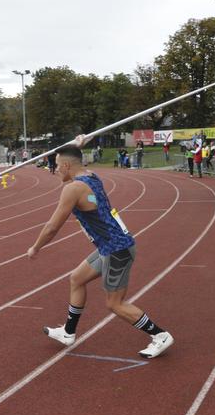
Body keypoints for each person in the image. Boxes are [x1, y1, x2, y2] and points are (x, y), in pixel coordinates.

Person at [27, 143, 174, 358]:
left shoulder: (72, 189)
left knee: (115, 304)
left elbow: (52, 227)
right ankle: (68, 332)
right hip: (110, 246)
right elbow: (78, 164)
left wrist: (35, 247)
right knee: (77, 279)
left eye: (57, 165)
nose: (55, 169)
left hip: (117, 250)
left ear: (66, 165)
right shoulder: (91, 176)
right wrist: (76, 146)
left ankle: (160, 336)